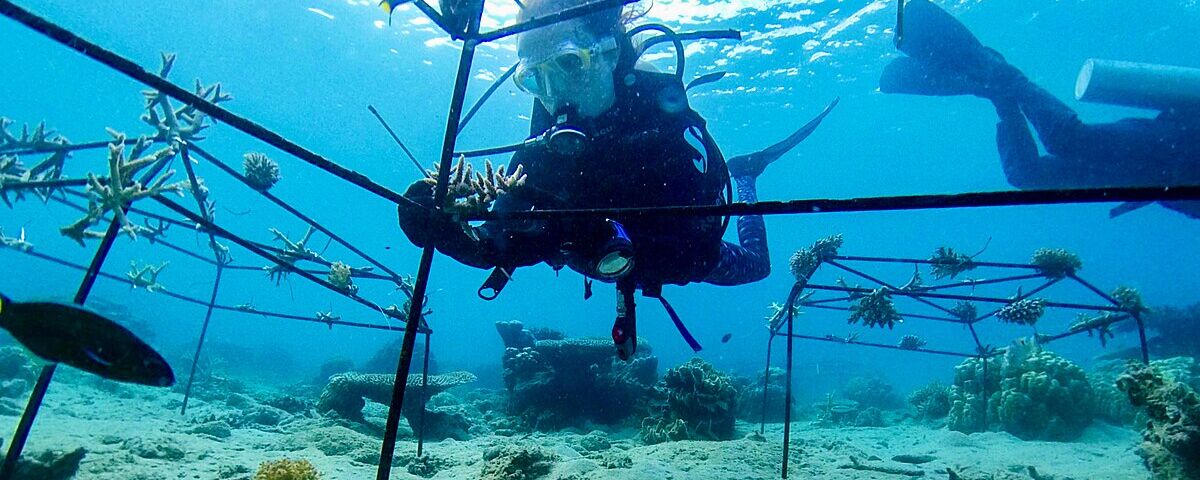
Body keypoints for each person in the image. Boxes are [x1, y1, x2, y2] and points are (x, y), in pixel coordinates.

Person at [397, 0, 835, 359]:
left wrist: (606, 237)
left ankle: (745, 176)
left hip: (677, 254)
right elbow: (502, 237)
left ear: (607, 53)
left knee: (758, 267)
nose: (555, 94)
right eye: (536, 78)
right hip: (602, 259)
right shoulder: (543, 147)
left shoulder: (664, 129)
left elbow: (691, 246)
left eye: (569, 64)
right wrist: (455, 239)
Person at [880, 0, 1199, 219]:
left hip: (1154, 176)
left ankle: (998, 95)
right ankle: (1001, 73)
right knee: (1069, 140)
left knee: (1026, 175)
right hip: (1178, 145)